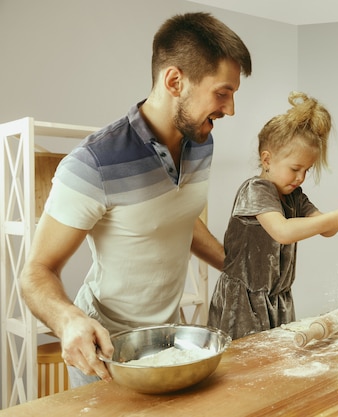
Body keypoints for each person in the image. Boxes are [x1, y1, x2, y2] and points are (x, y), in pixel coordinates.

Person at [18, 12, 252, 387]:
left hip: (171, 342)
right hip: (105, 354)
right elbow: (35, 273)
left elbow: (175, 216)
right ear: (175, 80)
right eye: (222, 93)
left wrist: (241, 268)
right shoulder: (94, 163)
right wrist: (68, 320)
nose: (230, 109)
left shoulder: (202, 143)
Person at [208, 91, 338, 340]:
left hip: (277, 300)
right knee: (243, 368)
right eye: (295, 169)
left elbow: (326, 228)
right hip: (243, 301)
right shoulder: (255, 190)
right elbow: (283, 231)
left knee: (275, 363)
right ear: (267, 159)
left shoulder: (295, 196)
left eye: (306, 170)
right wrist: (336, 217)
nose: (300, 177)